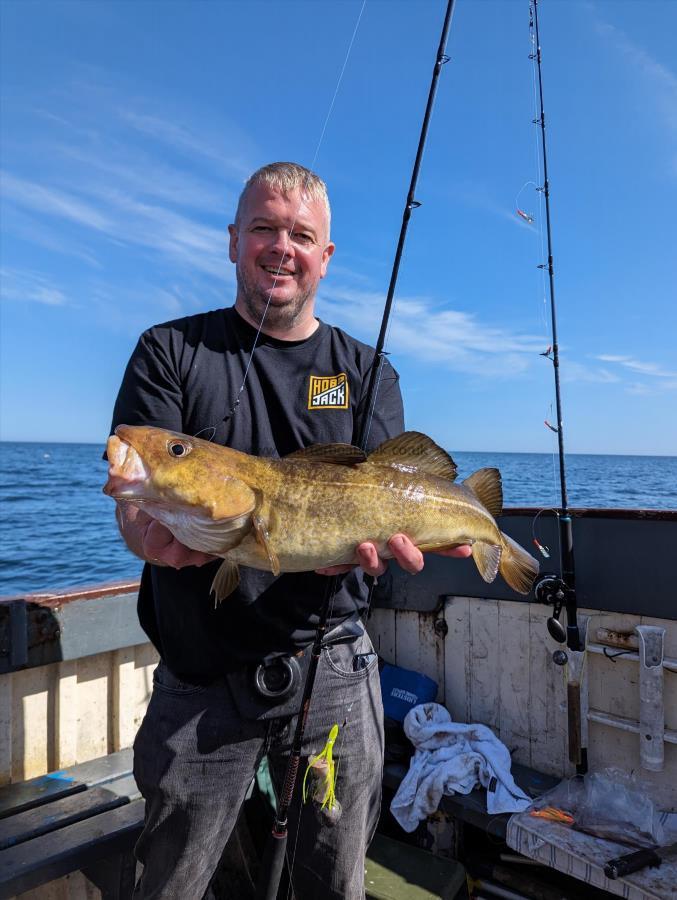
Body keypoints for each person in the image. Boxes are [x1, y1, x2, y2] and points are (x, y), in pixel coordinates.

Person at [110, 162, 470, 899]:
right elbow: (136, 510)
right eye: (265, 229)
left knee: (332, 882)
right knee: (172, 883)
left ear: (325, 255)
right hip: (199, 674)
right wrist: (156, 539)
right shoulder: (169, 351)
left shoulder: (365, 372)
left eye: (300, 235)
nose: (282, 247)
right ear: (234, 240)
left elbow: (389, 496)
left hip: (333, 667)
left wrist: (378, 555)